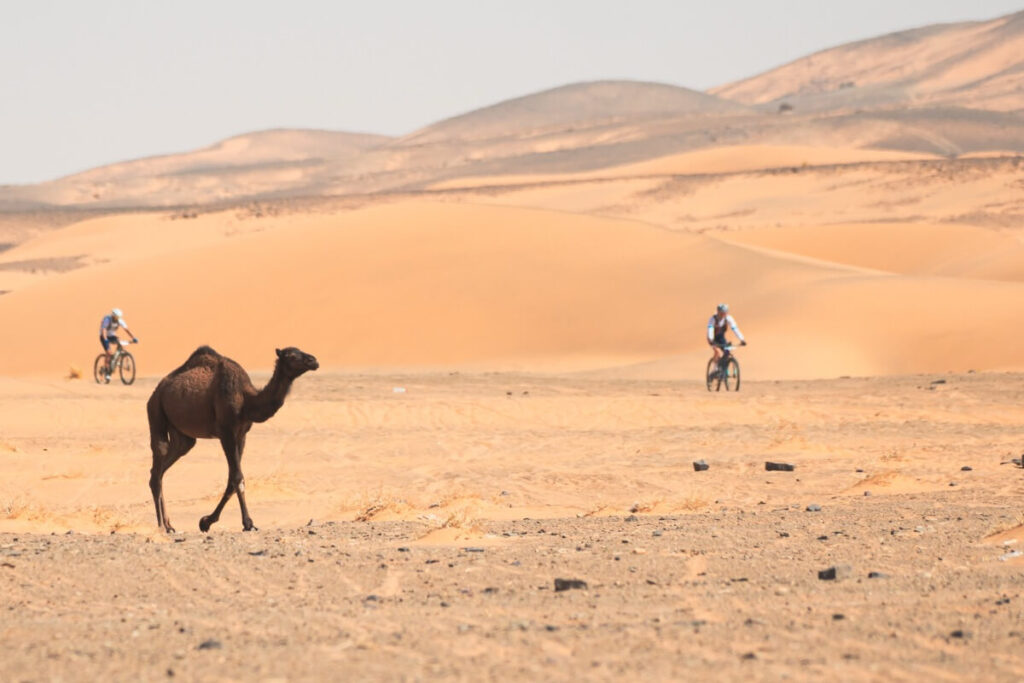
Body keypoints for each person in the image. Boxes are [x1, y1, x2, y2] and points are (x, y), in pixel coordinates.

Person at [99, 308, 138, 380]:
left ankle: (117, 358)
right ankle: (107, 371)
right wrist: (105, 340)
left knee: (121, 344)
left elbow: (127, 329)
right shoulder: (107, 320)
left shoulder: (120, 321)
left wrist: (133, 338)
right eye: (116, 317)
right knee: (109, 352)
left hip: (112, 336)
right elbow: (103, 330)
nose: (117, 319)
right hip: (104, 337)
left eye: (119, 317)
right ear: (113, 316)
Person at [707, 303, 745, 374]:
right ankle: (715, 369)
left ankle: (724, 367)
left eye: (725, 313)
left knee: (727, 351)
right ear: (718, 312)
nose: (723, 315)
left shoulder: (728, 318)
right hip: (712, 338)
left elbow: (735, 329)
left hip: (721, 337)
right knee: (717, 352)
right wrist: (711, 340)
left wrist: (742, 339)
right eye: (721, 313)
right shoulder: (713, 319)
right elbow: (710, 330)